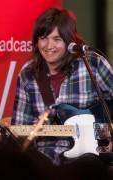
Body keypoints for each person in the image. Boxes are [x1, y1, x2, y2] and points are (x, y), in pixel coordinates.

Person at [11, 7, 113, 166]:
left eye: (57, 39)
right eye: (43, 38)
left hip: (92, 159)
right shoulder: (28, 75)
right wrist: (29, 132)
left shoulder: (93, 63)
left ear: (69, 41)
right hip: (45, 159)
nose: (48, 45)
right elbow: (19, 128)